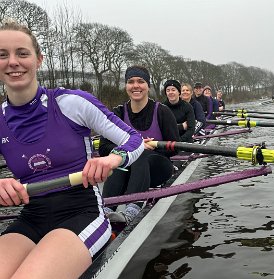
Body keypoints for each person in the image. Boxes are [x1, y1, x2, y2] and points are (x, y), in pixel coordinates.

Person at [0, 20, 144, 279]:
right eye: (2, 55)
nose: (12, 62)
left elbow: (135, 139)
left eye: (22, 53)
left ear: (39, 59)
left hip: (82, 211)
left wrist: (112, 159)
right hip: (31, 216)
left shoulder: (72, 102)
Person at [99, 66, 180, 222]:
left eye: (141, 81)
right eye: (131, 82)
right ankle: (106, 209)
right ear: (126, 86)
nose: (136, 85)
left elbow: (174, 148)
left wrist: (149, 147)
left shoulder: (162, 112)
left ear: (148, 86)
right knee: (121, 155)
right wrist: (132, 146)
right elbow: (103, 148)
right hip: (126, 171)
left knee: (140, 153)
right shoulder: (118, 113)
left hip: (158, 168)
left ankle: (132, 209)